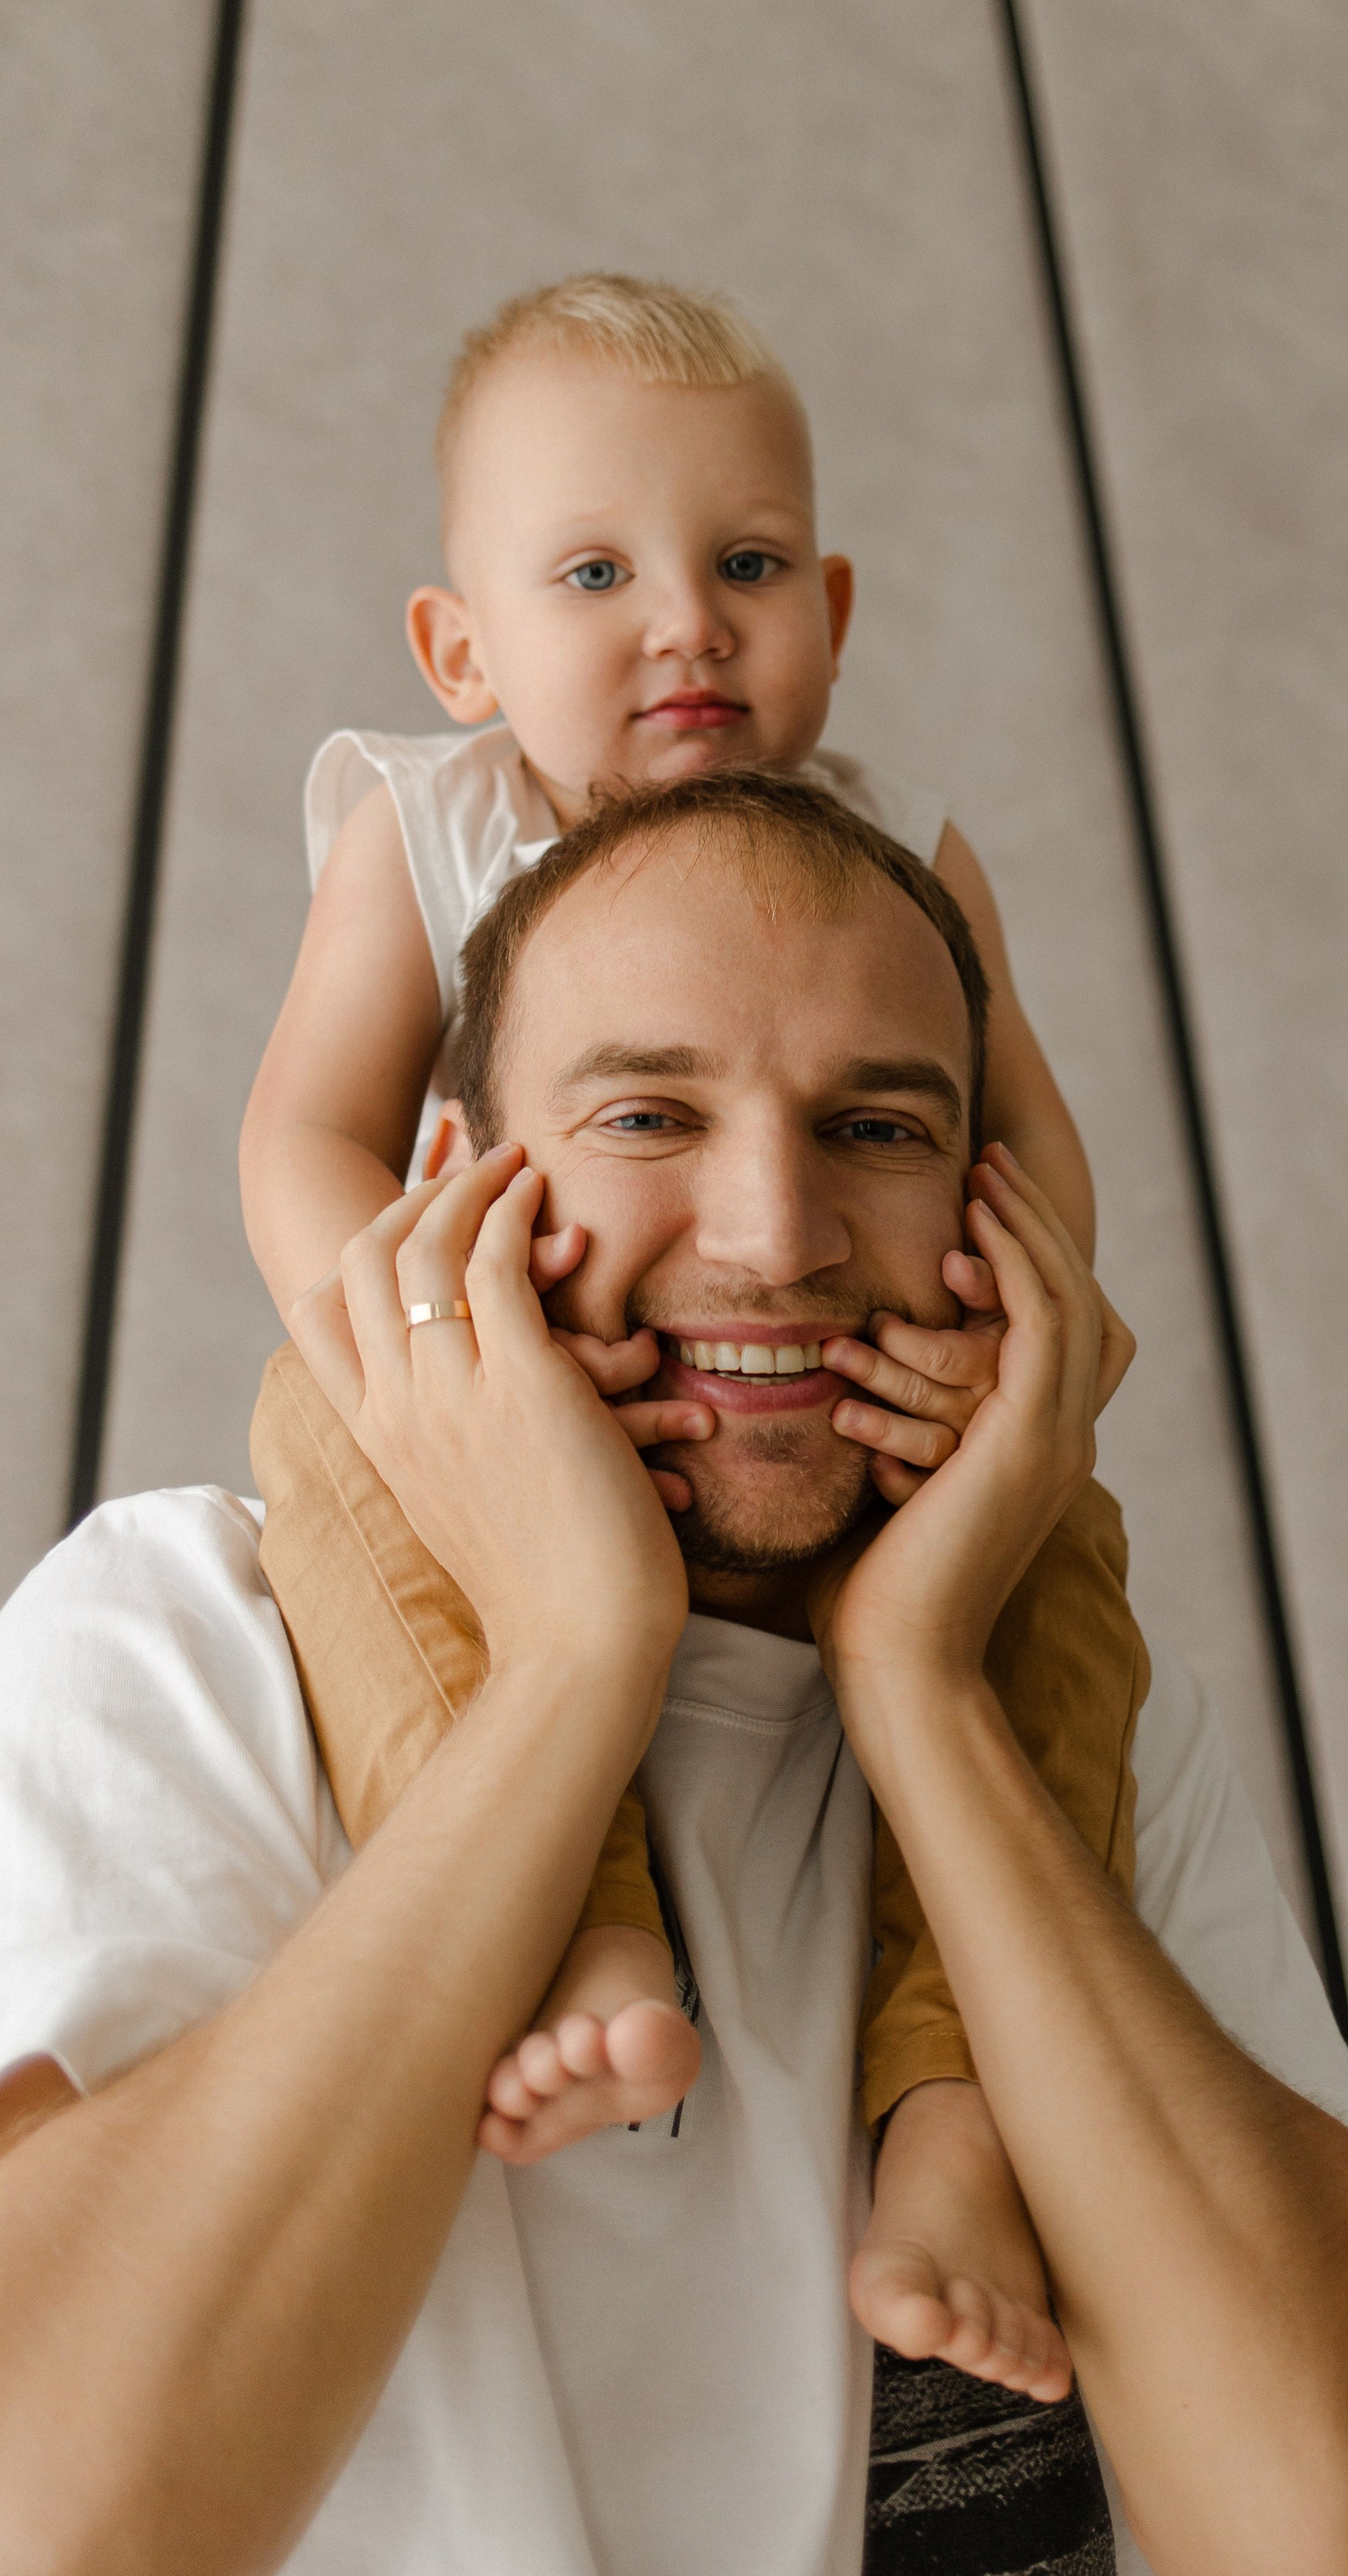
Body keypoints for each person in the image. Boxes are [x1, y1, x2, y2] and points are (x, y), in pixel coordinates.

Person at [0, 774, 1348, 2576]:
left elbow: (1328, 2522)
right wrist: (569, 1658)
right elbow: (60, 2518)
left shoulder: (1063, 1715)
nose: (775, 1233)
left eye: (873, 1128)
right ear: (456, 1183)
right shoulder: (178, 1630)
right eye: (647, 1112)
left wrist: (923, 1690)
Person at [236, 273, 1148, 2393]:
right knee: (327, 1450)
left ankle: (951, 2107)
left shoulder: (896, 851)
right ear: (462, 650)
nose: (687, 624)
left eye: (747, 566)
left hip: (824, 1417)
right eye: (594, 573)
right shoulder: (431, 819)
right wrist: (402, 1343)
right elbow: (305, 1128)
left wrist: (1019, 1365)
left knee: (1060, 1581)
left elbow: (1031, 1150)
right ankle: (576, 1918)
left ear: (830, 598)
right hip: (515, 1400)